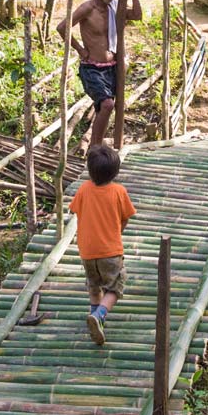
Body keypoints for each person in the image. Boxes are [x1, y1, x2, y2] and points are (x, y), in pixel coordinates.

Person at [58, 0, 143, 147]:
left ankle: (96, 147)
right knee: (107, 105)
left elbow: (137, 15)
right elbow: (62, 27)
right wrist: (81, 50)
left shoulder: (115, 8)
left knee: (104, 108)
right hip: (92, 69)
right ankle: (95, 147)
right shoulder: (88, 8)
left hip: (111, 68)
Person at [69, 144, 137, 345]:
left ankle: (96, 319)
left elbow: (76, 211)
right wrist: (115, 232)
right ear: (116, 172)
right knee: (116, 285)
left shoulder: (83, 189)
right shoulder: (118, 191)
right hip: (110, 250)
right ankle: (99, 315)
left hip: (87, 251)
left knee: (94, 284)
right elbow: (126, 217)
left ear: (90, 171)